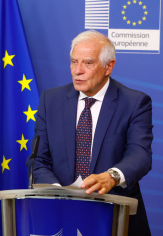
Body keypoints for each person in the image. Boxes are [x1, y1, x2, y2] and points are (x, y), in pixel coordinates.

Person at [30, 30, 152, 235]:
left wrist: (112, 176)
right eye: (73, 61)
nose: (77, 71)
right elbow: (38, 159)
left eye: (87, 63)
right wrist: (56, 194)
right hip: (60, 216)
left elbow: (140, 155)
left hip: (115, 216)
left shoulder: (134, 103)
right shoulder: (51, 100)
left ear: (108, 67)